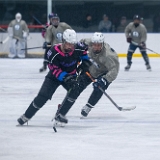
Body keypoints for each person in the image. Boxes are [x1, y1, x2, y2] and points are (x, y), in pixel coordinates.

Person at [17, 29, 91, 125]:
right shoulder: (53, 52)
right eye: (68, 44)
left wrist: (85, 62)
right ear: (63, 41)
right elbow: (54, 69)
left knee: (75, 90)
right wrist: (65, 77)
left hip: (71, 75)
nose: (70, 47)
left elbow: (84, 52)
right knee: (43, 96)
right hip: (54, 77)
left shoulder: (78, 47)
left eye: (72, 44)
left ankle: (60, 114)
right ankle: (26, 116)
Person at [78, 32, 119, 117]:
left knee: (99, 88)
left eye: (99, 45)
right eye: (95, 45)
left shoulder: (108, 55)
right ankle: (70, 100)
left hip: (105, 71)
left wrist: (105, 79)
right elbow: (79, 44)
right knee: (78, 84)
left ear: (102, 44)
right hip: (92, 67)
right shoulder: (87, 43)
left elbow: (114, 70)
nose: (96, 47)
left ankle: (88, 106)